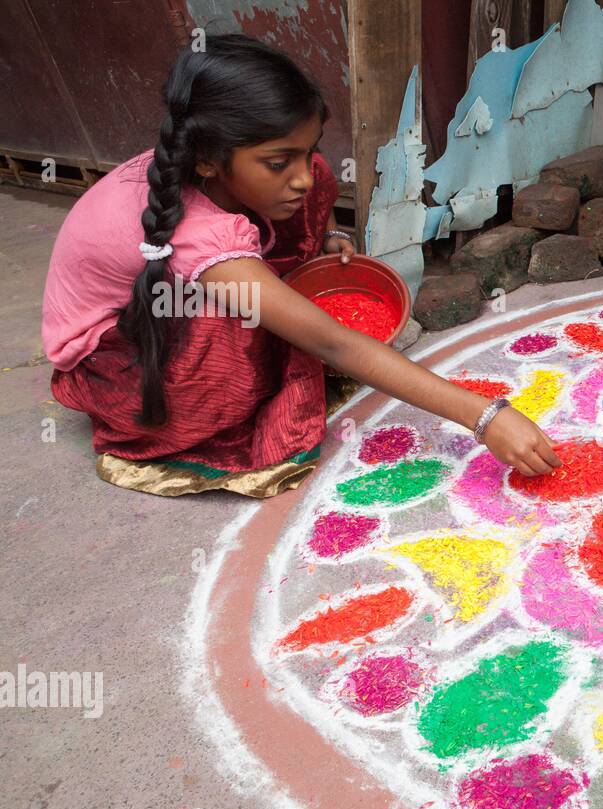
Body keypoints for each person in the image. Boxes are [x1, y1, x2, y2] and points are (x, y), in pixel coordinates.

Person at [42, 34, 560, 497]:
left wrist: (329, 233)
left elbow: (303, 177)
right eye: (277, 162)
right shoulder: (199, 241)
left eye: (302, 151)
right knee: (253, 324)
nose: (301, 179)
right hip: (117, 360)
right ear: (206, 159)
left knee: (313, 184)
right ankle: (202, 418)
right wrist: (485, 416)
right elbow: (332, 341)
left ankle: (275, 286)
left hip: (188, 277)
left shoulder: (209, 166)